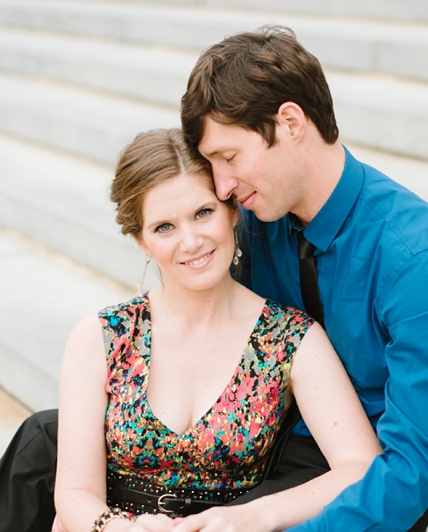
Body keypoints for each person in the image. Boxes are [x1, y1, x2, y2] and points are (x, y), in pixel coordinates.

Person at [0, 26, 428, 532]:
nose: (222, 187)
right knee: (47, 437)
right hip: (261, 435)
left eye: (228, 158)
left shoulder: (420, 258)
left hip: (366, 479)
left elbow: (411, 467)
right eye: (214, 167)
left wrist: (257, 522)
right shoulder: (251, 210)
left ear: (291, 123)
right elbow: (178, 209)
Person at [51, 128, 380, 532]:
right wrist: (118, 528)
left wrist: (252, 516)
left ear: (232, 212)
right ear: (141, 241)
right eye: (164, 227)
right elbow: (73, 492)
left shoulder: (291, 338)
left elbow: (361, 467)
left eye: (203, 213)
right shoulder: (100, 337)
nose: (191, 242)